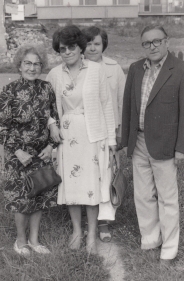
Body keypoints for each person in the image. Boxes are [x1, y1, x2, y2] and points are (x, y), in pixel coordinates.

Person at [121, 25, 184, 266]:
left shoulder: (183, 70)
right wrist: (126, 141)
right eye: (147, 43)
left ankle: (169, 249)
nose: (152, 46)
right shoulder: (135, 69)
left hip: (166, 145)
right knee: (143, 195)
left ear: (167, 41)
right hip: (139, 141)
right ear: (142, 45)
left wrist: (181, 148)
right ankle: (150, 239)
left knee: (167, 198)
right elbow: (128, 107)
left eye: (157, 41)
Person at [46, 25, 116, 254]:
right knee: (72, 185)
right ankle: (77, 231)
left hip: (93, 136)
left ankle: (92, 235)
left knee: (91, 186)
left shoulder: (96, 70)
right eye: (62, 49)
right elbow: (46, 107)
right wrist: (52, 125)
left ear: (80, 47)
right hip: (67, 137)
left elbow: (107, 105)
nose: (67, 52)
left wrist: (112, 140)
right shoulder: (55, 74)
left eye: (71, 47)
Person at [0, 44, 59, 256]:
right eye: (28, 63)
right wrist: (17, 151)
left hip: (41, 152)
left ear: (41, 66)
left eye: (36, 64)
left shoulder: (46, 89)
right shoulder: (9, 91)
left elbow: (54, 119)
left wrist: (51, 146)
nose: (32, 68)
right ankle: (21, 240)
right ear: (20, 65)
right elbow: (2, 126)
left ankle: (34, 239)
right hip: (18, 156)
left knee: (40, 195)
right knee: (22, 197)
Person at [82, 26, 125, 242]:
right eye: (88, 43)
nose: (92, 48)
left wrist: (117, 133)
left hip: (109, 130)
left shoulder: (114, 68)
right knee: (88, 177)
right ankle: (86, 221)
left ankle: (104, 223)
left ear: (103, 45)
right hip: (87, 133)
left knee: (107, 176)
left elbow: (119, 102)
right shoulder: (77, 67)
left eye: (96, 43)